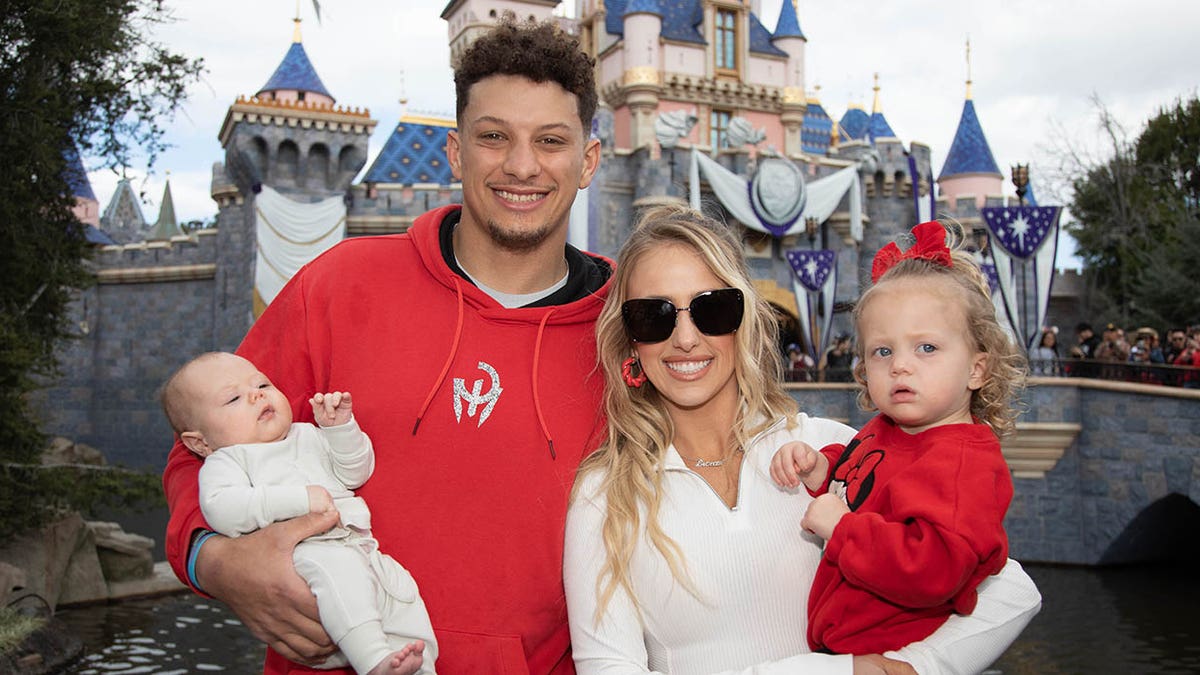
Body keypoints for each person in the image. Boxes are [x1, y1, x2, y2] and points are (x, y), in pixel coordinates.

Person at [162, 18, 608, 674]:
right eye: (494, 137)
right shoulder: (340, 286)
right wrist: (215, 560)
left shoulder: (636, 324)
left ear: (587, 161)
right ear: (456, 153)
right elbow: (195, 448)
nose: (521, 165)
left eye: (550, 140)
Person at [564, 206, 1041, 675]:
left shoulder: (830, 450)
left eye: (713, 308)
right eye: (653, 315)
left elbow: (1010, 590)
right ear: (630, 338)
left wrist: (911, 668)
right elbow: (609, 665)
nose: (685, 338)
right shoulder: (607, 494)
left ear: (744, 318)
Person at [769, 220, 1026, 656]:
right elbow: (862, 480)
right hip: (841, 650)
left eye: (926, 348)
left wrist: (842, 529)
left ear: (977, 368)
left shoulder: (963, 463)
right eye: (883, 351)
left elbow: (934, 570)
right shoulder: (889, 429)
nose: (900, 366)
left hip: (890, 655)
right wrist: (821, 467)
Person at [161, 352, 436, 675]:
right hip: (308, 556)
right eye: (234, 398)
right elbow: (224, 510)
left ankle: (419, 668)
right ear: (200, 443)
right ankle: (373, 661)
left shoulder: (308, 435)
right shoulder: (227, 462)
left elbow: (355, 474)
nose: (257, 394)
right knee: (341, 571)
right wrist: (298, 500)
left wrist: (340, 430)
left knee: (404, 601)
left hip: (361, 548)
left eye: (263, 383)